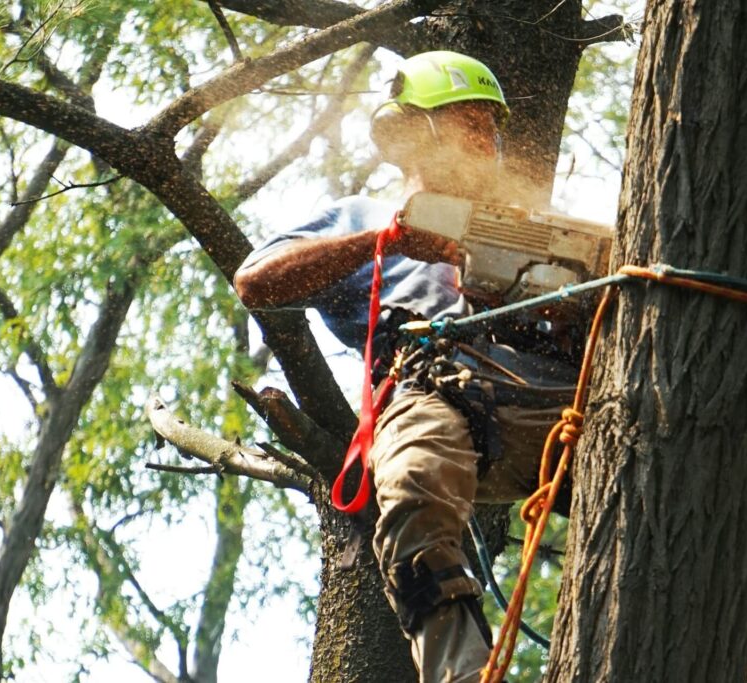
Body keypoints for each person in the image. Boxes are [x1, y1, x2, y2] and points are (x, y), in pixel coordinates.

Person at [233, 51, 581, 682]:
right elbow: (255, 282)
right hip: (433, 392)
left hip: (552, 400)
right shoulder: (361, 218)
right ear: (411, 134)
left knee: (652, 455)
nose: (484, 140)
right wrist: (388, 240)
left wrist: (572, 313)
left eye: (488, 126)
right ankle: (462, 674)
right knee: (415, 486)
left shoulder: (534, 229)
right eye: (465, 123)